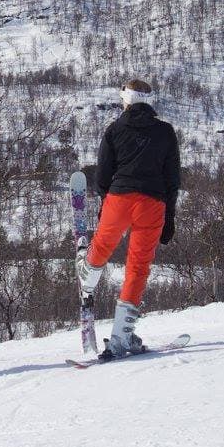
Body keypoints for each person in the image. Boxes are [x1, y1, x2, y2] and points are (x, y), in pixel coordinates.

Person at [81, 79, 181, 360]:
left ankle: (87, 276)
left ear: (125, 99)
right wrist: (169, 217)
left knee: (103, 244)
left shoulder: (115, 129)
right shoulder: (165, 132)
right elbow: (172, 179)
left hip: (119, 198)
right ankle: (122, 336)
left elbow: (103, 175)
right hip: (153, 203)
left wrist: (105, 204)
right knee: (137, 267)